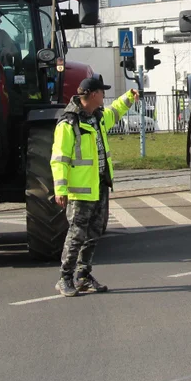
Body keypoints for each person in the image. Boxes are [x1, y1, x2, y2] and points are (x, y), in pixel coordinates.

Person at [51, 75, 138, 297]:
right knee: (77, 233)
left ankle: (82, 275)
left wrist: (129, 97)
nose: (104, 96)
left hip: (99, 185)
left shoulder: (97, 118)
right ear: (92, 95)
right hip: (80, 191)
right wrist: (60, 190)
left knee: (94, 232)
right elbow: (59, 160)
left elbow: (115, 111)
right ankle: (65, 278)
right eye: (101, 92)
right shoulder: (69, 124)